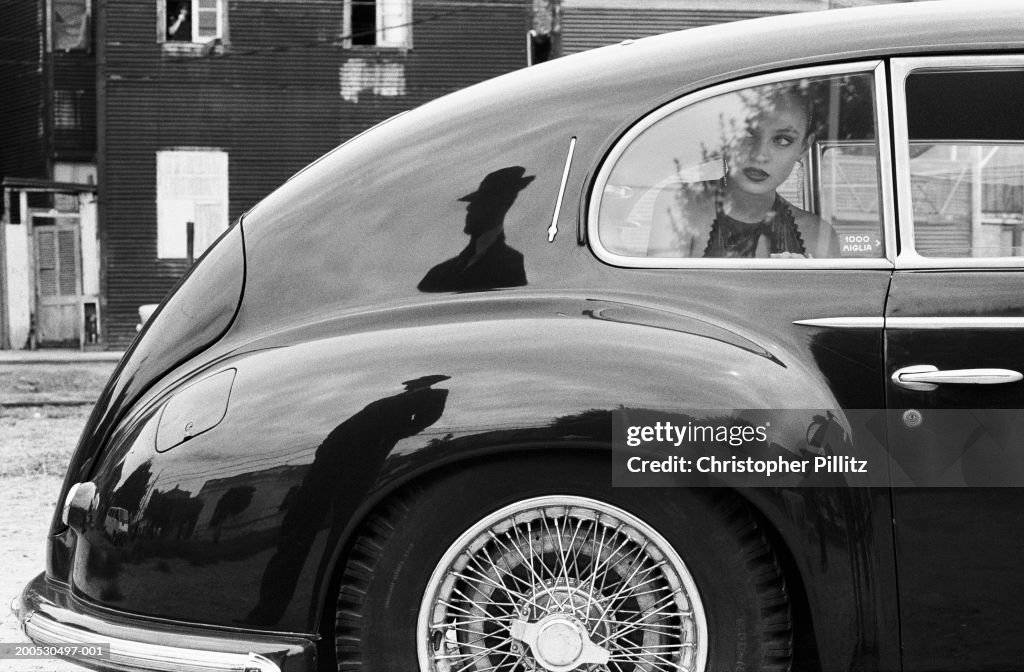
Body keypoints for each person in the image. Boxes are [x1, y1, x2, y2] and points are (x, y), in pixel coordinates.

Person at [647, 84, 839, 259]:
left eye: (782, 140)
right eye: (747, 133)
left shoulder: (819, 236)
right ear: (724, 135)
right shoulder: (679, 204)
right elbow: (659, 294)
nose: (759, 154)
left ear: (804, 148)